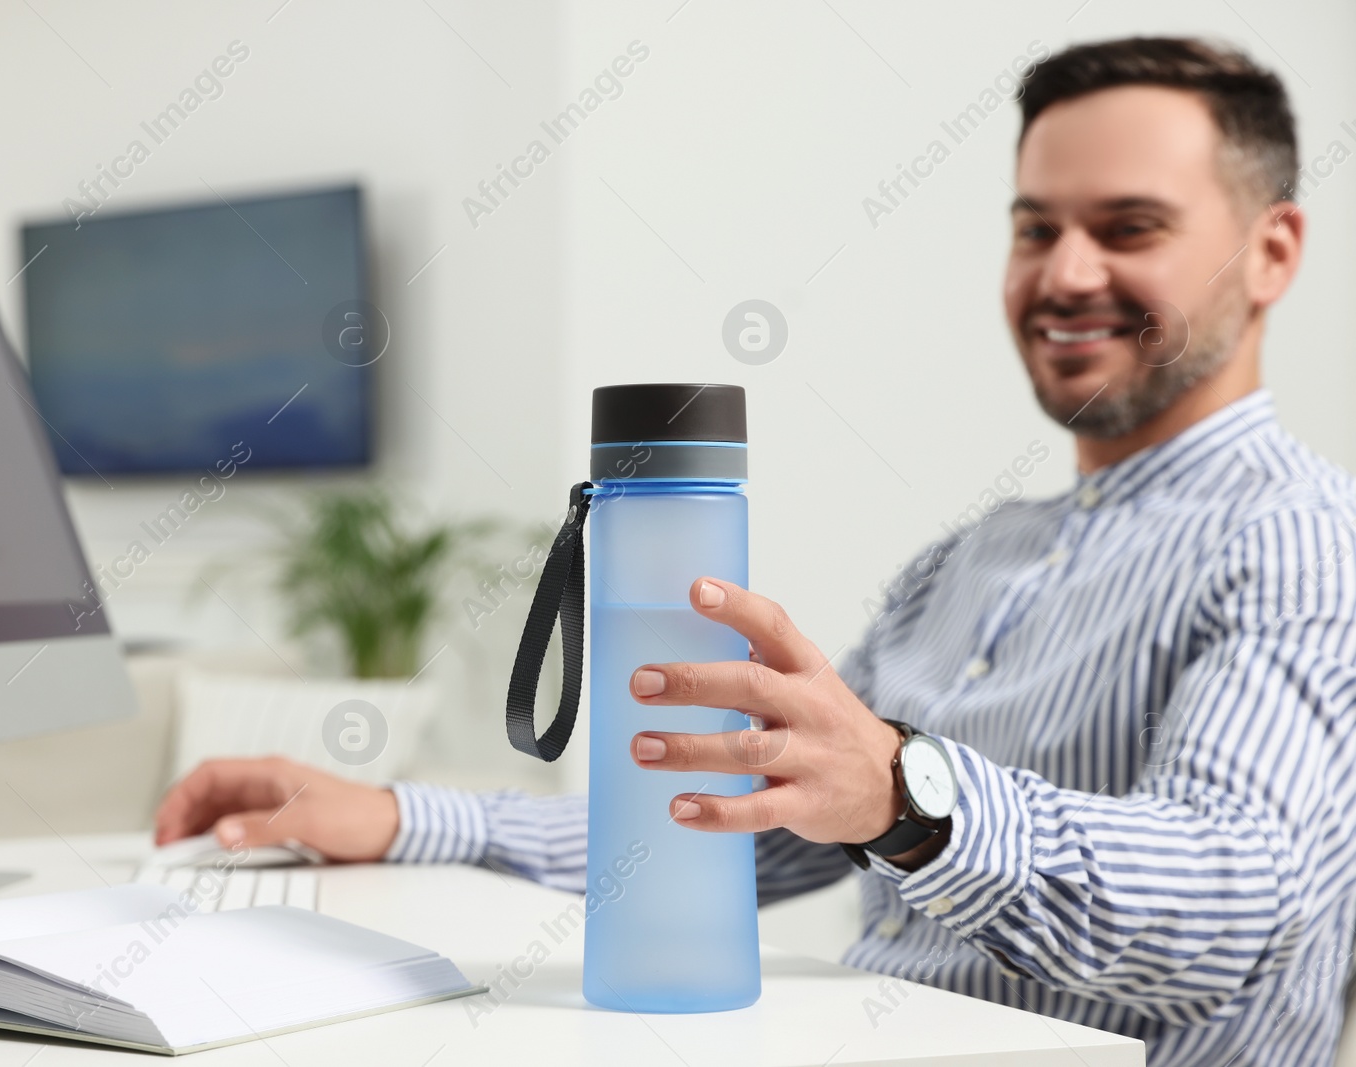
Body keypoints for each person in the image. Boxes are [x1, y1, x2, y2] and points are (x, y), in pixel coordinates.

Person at [156, 37, 1356, 1067]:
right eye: (1036, 227)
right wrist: (404, 815)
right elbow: (758, 818)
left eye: (1129, 226)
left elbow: (1243, 900)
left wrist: (905, 792)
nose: (1066, 271)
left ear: (1273, 249)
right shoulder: (970, 559)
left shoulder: (1298, 538)